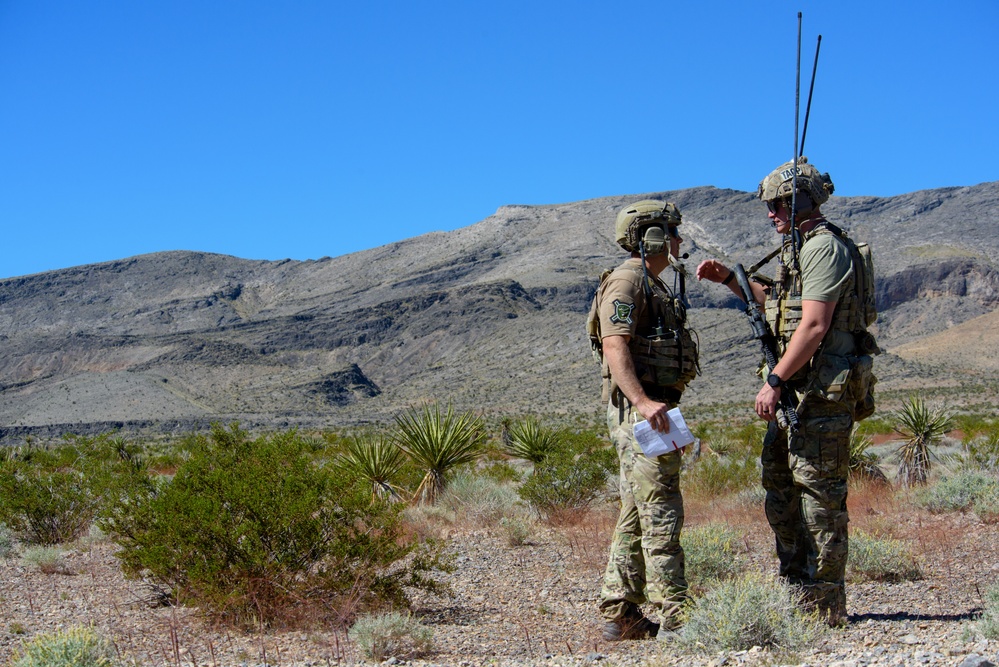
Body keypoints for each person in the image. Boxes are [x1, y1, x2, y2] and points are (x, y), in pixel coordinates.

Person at [696, 157, 874, 627]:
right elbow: (780, 308)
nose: (771, 214)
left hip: (819, 395)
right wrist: (732, 282)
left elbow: (814, 325)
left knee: (819, 498)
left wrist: (774, 380)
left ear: (802, 203)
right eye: (770, 206)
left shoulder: (824, 249)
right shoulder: (797, 250)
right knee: (780, 491)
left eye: (778, 205)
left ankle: (823, 604)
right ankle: (796, 590)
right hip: (795, 398)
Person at [587, 200, 699, 640]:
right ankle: (677, 619)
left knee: (636, 508)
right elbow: (615, 344)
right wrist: (644, 402)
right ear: (650, 236)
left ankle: (620, 613)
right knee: (661, 508)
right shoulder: (629, 281)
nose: (678, 241)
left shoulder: (651, 283)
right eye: (671, 232)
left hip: (652, 408)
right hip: (643, 411)